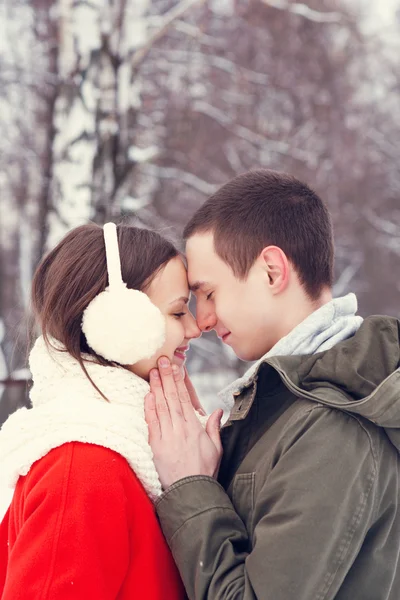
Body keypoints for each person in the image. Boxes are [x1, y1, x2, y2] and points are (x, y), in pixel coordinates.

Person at [144, 169, 400, 600]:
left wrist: (190, 485)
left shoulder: (334, 426)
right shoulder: (288, 404)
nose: (202, 320)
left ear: (271, 271)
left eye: (208, 293)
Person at [0, 222, 207, 599]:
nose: (195, 328)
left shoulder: (133, 449)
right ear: (116, 322)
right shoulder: (81, 471)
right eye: (178, 313)